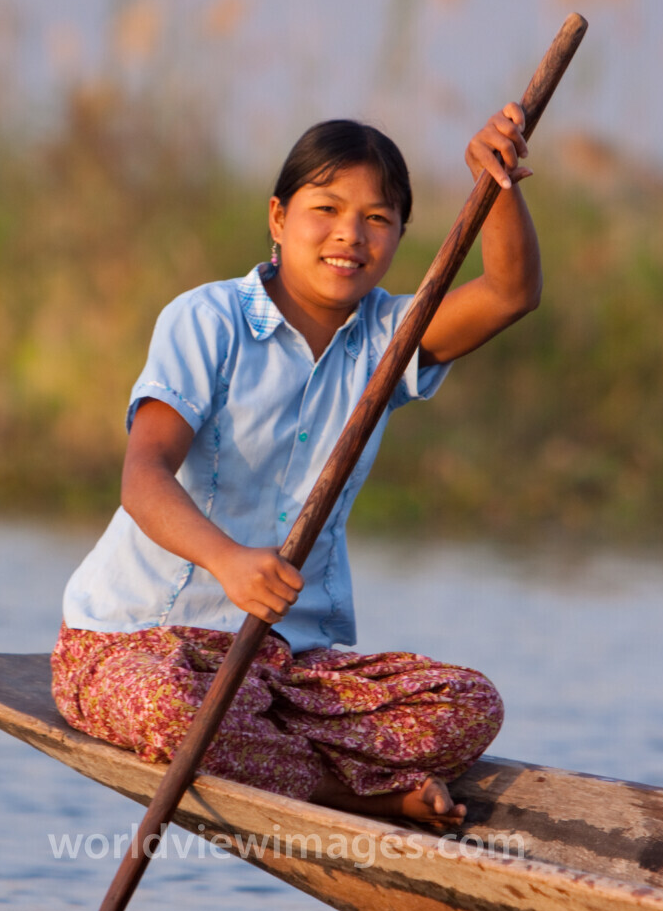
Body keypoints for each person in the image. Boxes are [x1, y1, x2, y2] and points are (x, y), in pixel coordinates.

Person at [54, 103, 541, 828]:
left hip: (281, 671)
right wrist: (230, 563)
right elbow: (143, 476)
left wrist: (497, 183)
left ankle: (267, 749)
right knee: (168, 711)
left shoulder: (387, 337)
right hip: (138, 645)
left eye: (378, 219)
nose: (350, 234)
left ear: (401, 236)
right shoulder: (208, 320)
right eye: (327, 209)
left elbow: (509, 293)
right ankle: (347, 793)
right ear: (279, 219)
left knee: (467, 704)